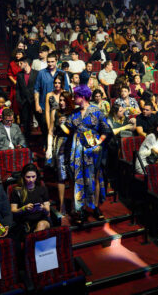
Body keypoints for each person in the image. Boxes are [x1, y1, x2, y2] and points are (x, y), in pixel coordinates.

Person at [60, 85, 111, 224]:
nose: (73, 98)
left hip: (92, 150)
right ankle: (80, 209)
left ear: (82, 97)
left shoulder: (96, 111)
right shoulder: (74, 113)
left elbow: (106, 130)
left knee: (94, 177)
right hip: (77, 150)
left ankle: (95, 207)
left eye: (75, 96)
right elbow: (68, 131)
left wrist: (98, 143)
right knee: (78, 178)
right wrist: (61, 124)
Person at [45, 91, 73, 216]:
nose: (61, 102)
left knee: (72, 176)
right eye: (60, 100)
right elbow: (51, 131)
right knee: (61, 176)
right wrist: (49, 148)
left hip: (72, 145)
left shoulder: (74, 113)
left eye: (63, 100)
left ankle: (73, 204)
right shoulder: (54, 112)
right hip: (60, 144)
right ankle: (61, 204)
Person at [10, 163, 51, 234]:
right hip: (25, 221)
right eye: (28, 177)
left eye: (33, 176)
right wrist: (23, 208)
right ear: (23, 176)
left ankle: (33, 239)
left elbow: (47, 211)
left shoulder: (42, 189)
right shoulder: (17, 190)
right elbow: (13, 210)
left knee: (41, 225)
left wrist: (43, 208)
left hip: (41, 219)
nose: (31, 180)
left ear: (37, 176)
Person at [15, 56, 38, 135]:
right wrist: (19, 100)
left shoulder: (36, 73)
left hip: (35, 100)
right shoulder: (19, 74)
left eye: (21, 63)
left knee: (40, 120)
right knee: (26, 121)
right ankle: (27, 140)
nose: (19, 65)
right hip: (24, 101)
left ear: (26, 64)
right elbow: (17, 88)